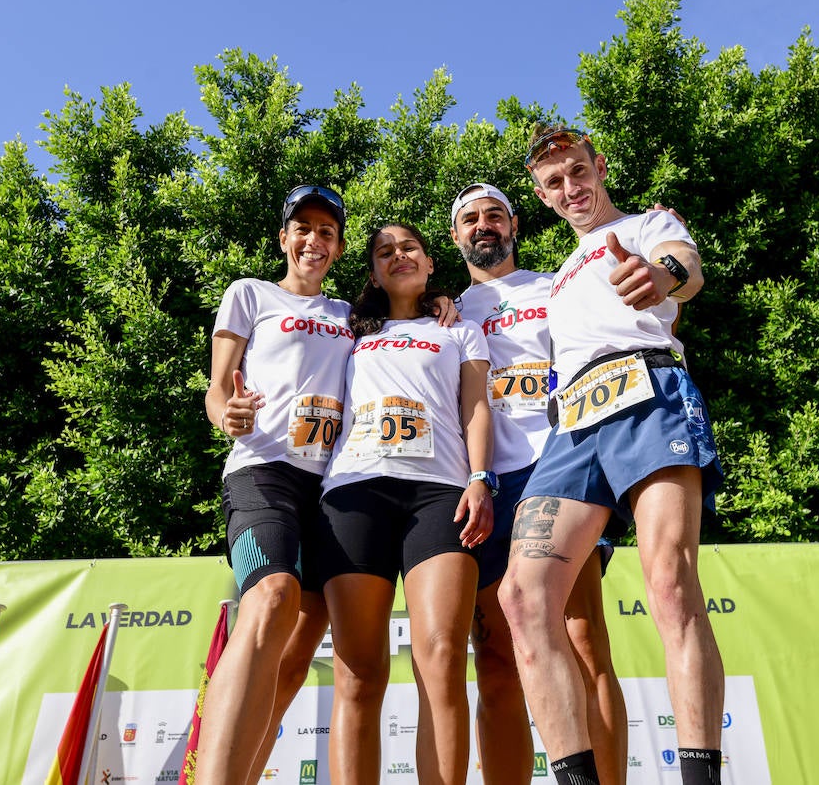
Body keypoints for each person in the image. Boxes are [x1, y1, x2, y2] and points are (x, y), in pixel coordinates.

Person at [499, 125, 726, 785]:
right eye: (554, 182)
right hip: (573, 422)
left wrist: (660, 277)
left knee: (669, 581)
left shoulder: (649, 223)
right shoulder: (558, 276)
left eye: (578, 172)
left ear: (599, 167)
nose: (571, 188)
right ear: (541, 197)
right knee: (522, 597)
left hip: (646, 388)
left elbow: (685, 268)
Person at [448, 183, 628, 785]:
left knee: (582, 642)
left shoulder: (556, 284)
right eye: (470, 219)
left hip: (559, 468)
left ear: (516, 224)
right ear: (456, 236)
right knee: (497, 662)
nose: (483, 225)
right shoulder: (443, 312)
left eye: (495, 215)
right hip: (483, 486)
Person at [318, 222, 496, 785]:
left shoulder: (460, 329)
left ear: (429, 262)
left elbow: (476, 408)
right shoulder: (347, 330)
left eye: (410, 247)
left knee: (442, 660)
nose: (399, 256)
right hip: (354, 492)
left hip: (440, 492)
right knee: (358, 674)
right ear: (371, 271)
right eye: (384, 252)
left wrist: (480, 478)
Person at [195, 184, 352, 785]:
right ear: (284, 238)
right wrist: (225, 414)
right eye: (303, 229)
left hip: (335, 486)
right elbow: (217, 390)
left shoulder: (351, 314)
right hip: (263, 469)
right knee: (271, 598)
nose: (314, 240)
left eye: (327, 232)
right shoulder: (249, 294)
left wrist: (442, 302)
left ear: (337, 249)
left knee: (292, 660)